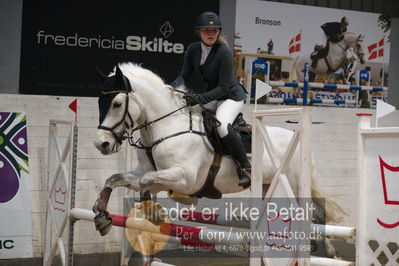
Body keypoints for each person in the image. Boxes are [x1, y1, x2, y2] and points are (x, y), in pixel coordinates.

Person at [171, 11, 250, 188]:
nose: (211, 34)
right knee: (185, 114)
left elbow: (223, 88)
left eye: (214, 30)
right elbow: (184, 75)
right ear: (198, 31)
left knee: (221, 124)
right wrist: (172, 87)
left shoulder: (224, 52)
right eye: (207, 30)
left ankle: (245, 167)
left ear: (218, 32)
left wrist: (199, 98)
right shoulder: (193, 49)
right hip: (214, 95)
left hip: (231, 97)